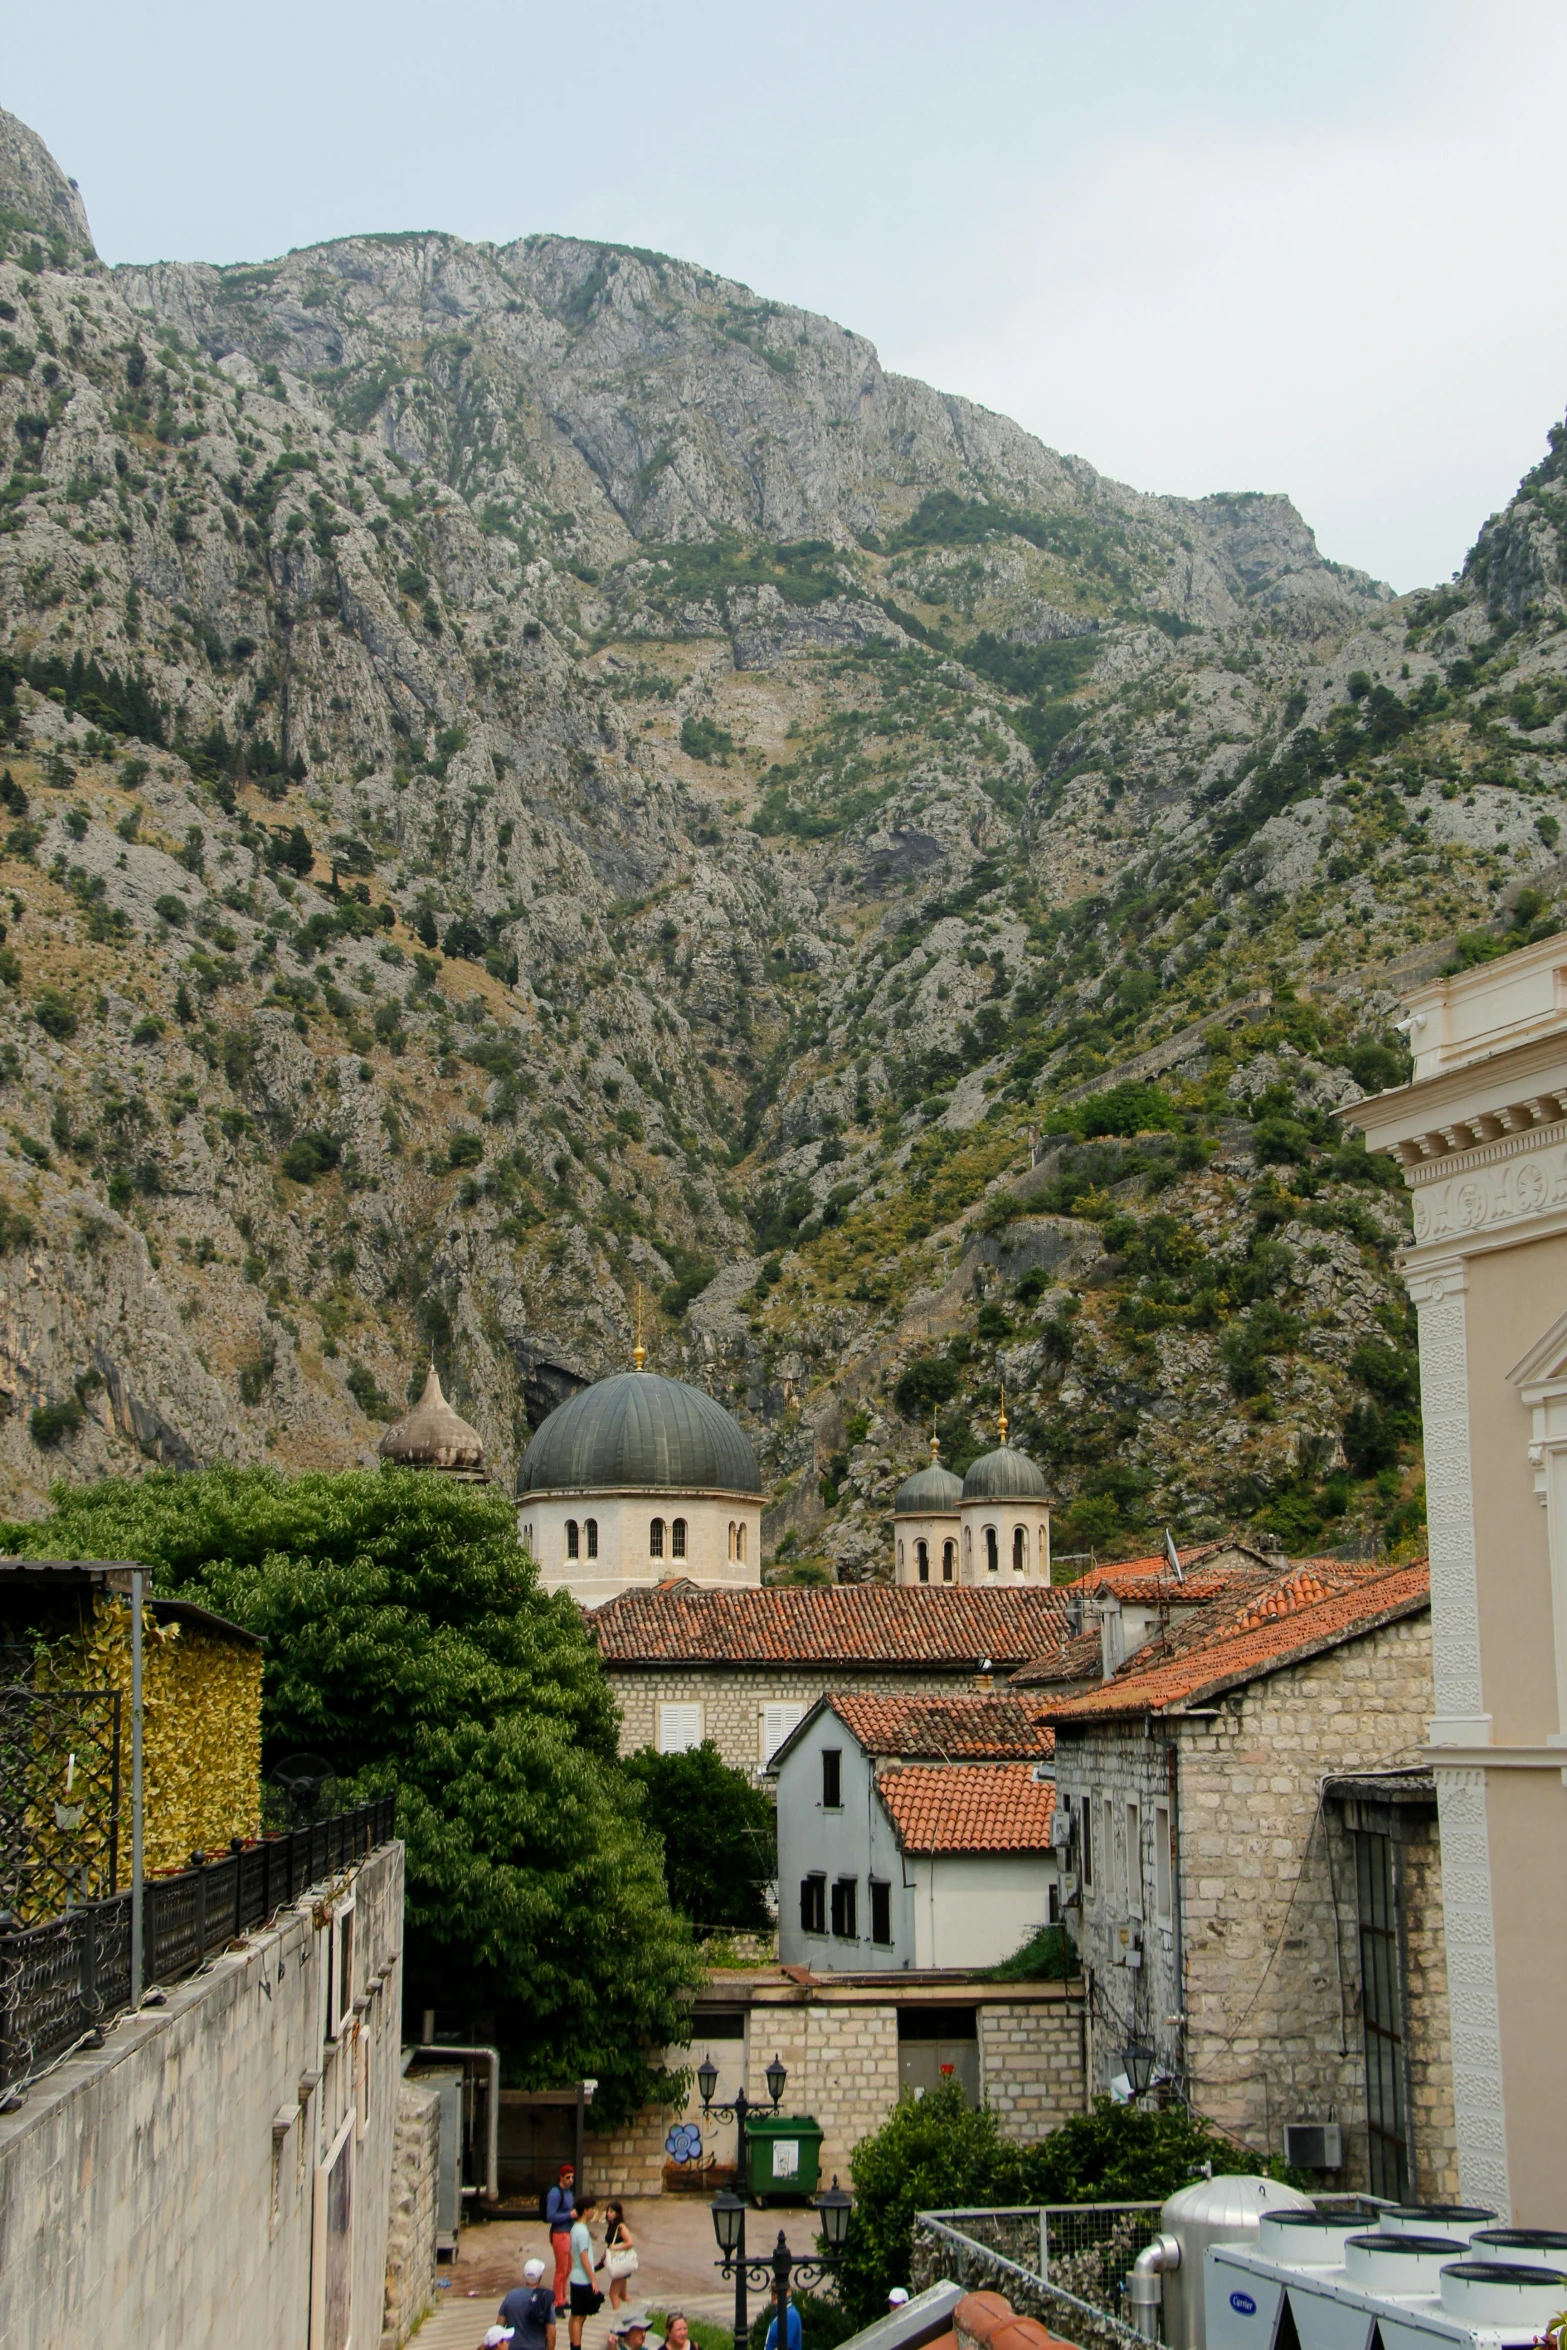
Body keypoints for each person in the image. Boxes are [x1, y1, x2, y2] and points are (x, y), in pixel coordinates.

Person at [499, 2257, 557, 2350]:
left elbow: (499, 2326)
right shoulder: (544, 2299)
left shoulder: (511, 2296)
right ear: (540, 2276)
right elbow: (551, 2333)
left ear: (524, 2276)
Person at [568, 2193, 601, 2350]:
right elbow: (584, 2257)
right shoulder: (581, 2231)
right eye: (592, 2209)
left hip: (576, 2276)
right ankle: (576, 2346)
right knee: (579, 2316)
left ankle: (573, 2344)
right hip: (582, 2279)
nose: (594, 2211)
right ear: (585, 2210)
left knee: (576, 2315)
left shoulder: (575, 2228)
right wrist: (593, 2279)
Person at [547, 2165, 577, 2318]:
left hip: (568, 2232)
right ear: (561, 2177)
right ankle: (557, 2302)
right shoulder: (555, 2193)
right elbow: (550, 2216)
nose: (570, 2180)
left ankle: (562, 2298)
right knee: (561, 2269)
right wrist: (569, 2215)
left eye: (572, 2177)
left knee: (567, 2268)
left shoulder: (568, 2192)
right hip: (559, 2233)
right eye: (567, 2178)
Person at [602, 2202, 638, 2310]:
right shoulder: (612, 2226)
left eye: (611, 2212)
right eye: (608, 2211)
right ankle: (633, 2312)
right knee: (622, 2294)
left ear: (617, 2213)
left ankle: (617, 2317)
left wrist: (616, 2247)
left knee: (613, 2294)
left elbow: (630, 2242)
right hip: (617, 2262)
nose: (608, 2214)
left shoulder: (620, 2227)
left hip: (621, 2263)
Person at [764, 2284, 803, 2350]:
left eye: (778, 2291)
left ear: (788, 2292)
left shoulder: (790, 2315)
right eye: (773, 2290)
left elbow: (783, 2347)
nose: (775, 2294)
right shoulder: (780, 2312)